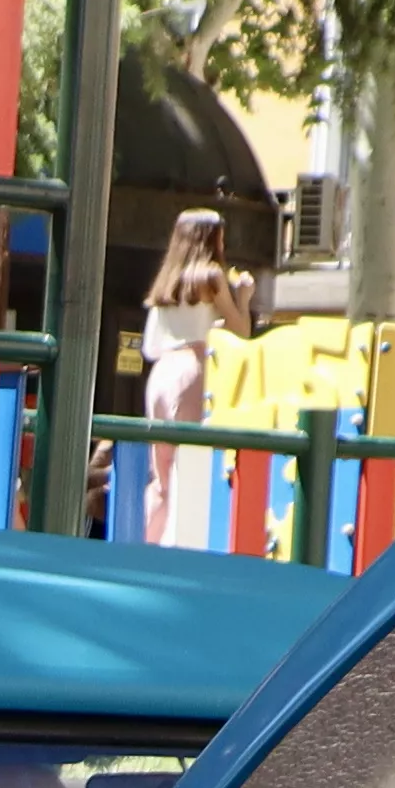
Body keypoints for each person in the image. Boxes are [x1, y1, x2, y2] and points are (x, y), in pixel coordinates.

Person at [138, 208, 245, 550]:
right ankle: (183, 545)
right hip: (193, 368)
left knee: (162, 472)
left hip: (161, 372)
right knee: (191, 464)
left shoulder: (167, 277)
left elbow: (149, 344)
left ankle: (147, 541)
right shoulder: (211, 275)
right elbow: (240, 330)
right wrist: (243, 296)